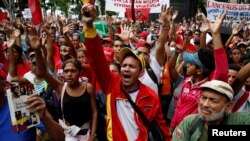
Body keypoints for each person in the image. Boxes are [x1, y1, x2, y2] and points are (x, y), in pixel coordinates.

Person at [82, 4, 171, 141]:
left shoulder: (151, 96)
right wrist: (89, 27)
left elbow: (162, 128)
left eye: (131, 66)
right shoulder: (112, 84)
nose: (126, 69)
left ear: (141, 73)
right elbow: (96, 59)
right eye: (124, 66)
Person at [29, 29, 98, 141]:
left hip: (87, 134)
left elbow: (94, 112)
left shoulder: (88, 87)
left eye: (73, 71)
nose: (69, 74)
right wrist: (37, 50)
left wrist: (93, 135)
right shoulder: (60, 87)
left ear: (80, 72)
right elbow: (43, 72)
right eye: (66, 71)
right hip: (68, 135)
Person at [172, 80, 250, 141]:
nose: (205, 104)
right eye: (204, 98)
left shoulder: (238, 120)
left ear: (228, 106)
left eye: (213, 100)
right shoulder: (190, 122)